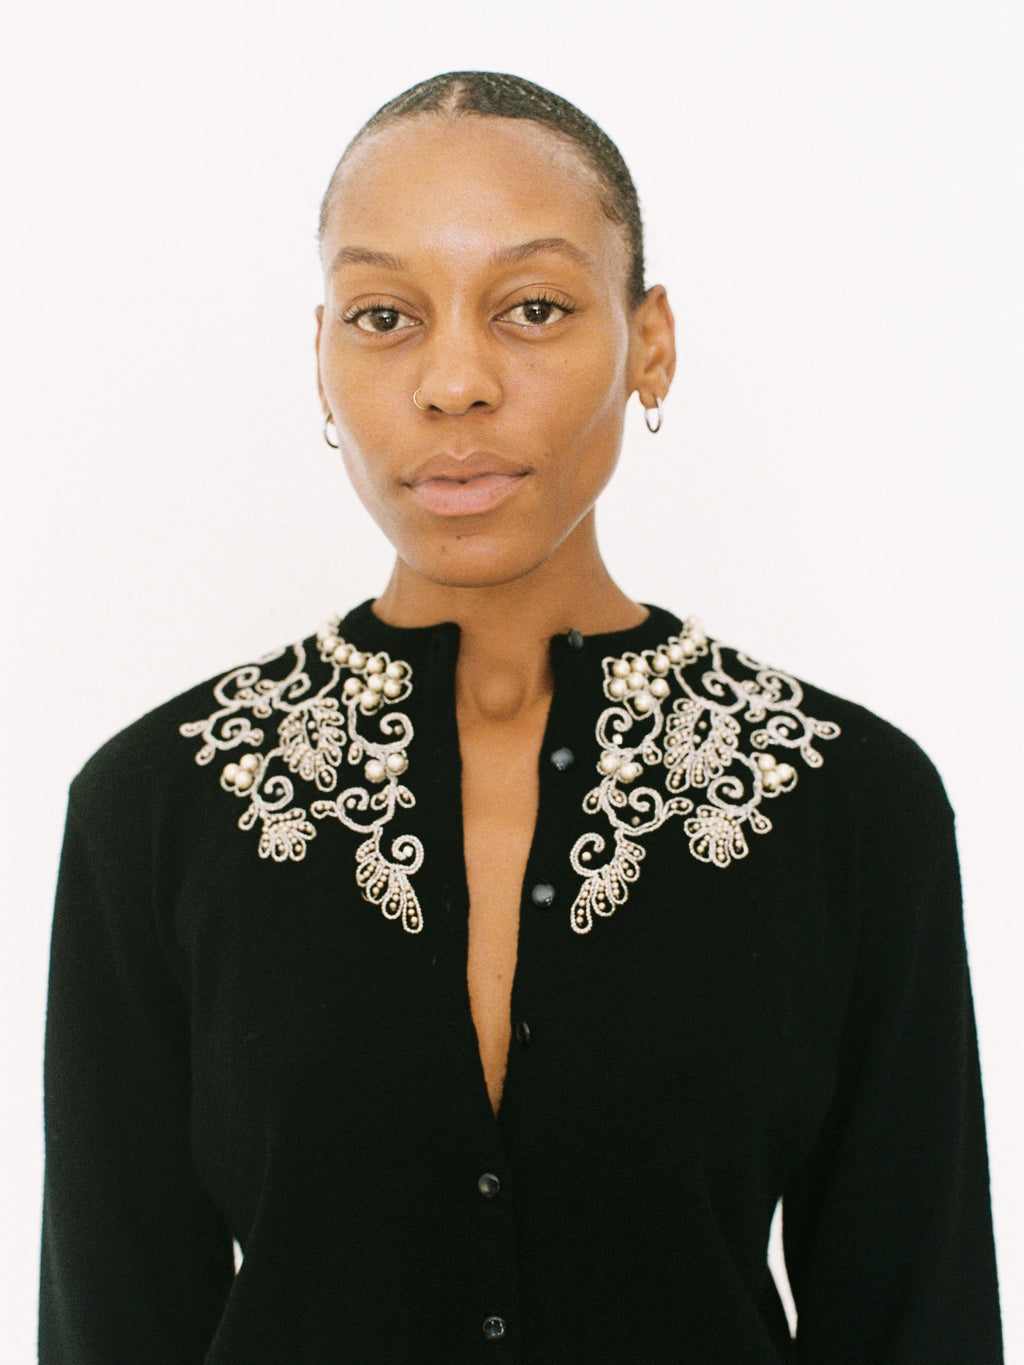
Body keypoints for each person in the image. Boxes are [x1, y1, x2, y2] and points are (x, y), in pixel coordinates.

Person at [39, 71, 1002, 1362]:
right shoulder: (158, 808)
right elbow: (115, 1321)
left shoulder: (849, 802)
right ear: (322, 359)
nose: (454, 383)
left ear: (649, 341)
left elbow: (915, 1318)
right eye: (385, 316)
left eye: (533, 308)